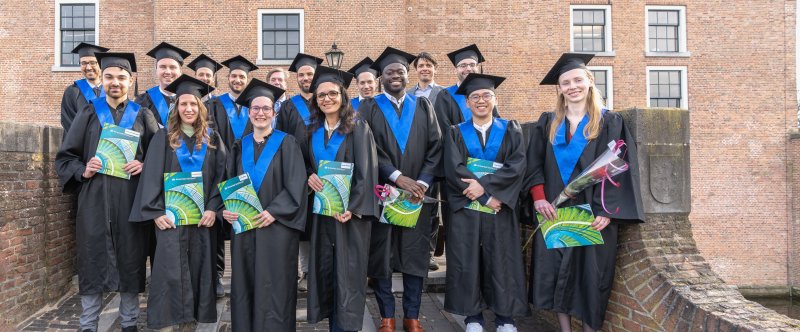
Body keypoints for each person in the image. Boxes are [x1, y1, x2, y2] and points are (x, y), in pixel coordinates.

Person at [525, 53, 644, 332]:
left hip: (594, 212)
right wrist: (539, 197)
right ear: (560, 88)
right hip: (555, 209)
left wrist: (608, 211)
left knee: (592, 276)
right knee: (556, 272)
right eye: (565, 82)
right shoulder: (548, 123)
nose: (572, 86)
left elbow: (621, 168)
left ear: (590, 82)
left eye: (578, 80)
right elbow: (533, 164)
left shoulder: (609, 122)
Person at [55, 52, 160, 332]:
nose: (115, 82)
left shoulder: (143, 115)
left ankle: (128, 324)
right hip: (94, 200)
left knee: (131, 259)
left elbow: (160, 157)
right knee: (92, 259)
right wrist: (83, 170)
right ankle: (88, 324)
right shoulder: (88, 112)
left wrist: (144, 163)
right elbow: (66, 157)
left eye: (122, 77)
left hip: (130, 200)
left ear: (130, 80)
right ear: (102, 78)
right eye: (110, 76)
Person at [129, 75, 227, 330]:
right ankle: (167, 323)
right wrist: (155, 212)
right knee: (168, 270)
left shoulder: (213, 140)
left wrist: (213, 209)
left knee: (199, 271)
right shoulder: (163, 139)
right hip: (170, 221)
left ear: (200, 107)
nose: (189, 109)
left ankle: (191, 324)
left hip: (202, 223)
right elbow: (151, 177)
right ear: (176, 108)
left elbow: (222, 178)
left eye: (193, 104)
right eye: (183, 104)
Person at [358, 47, 442, 332]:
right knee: (381, 258)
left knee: (415, 257)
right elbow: (367, 150)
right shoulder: (368, 107)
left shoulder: (423, 106)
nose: (395, 76)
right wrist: (396, 176)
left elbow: (435, 147)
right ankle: (387, 317)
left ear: (408, 75)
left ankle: (412, 316)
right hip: (383, 194)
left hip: (417, 196)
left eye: (400, 72)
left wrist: (422, 181)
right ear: (381, 77)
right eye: (390, 72)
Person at [442, 73, 529, 332]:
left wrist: (488, 189)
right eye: (475, 97)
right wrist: (486, 196)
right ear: (467, 103)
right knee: (467, 260)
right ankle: (473, 317)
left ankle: (505, 318)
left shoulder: (511, 129)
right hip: (469, 209)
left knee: (502, 259)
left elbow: (517, 166)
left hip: (499, 209)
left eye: (486, 95)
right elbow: (453, 167)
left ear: (495, 98)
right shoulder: (455, 132)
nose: (481, 100)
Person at [222, 78, 308, 332]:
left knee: (276, 283)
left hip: (277, 228)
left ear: (274, 112)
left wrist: (274, 211)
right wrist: (225, 210)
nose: (260, 113)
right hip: (245, 228)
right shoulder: (239, 146)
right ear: (249, 113)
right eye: (256, 109)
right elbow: (228, 184)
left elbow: (296, 184)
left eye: (266, 109)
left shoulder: (287, 143)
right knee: (245, 283)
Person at [304, 66, 380, 332]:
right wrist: (308, 176)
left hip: (350, 216)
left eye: (332, 93)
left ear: (343, 96)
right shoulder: (311, 129)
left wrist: (353, 207)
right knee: (325, 270)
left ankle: (346, 327)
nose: (327, 99)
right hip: (322, 213)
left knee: (348, 274)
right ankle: (332, 323)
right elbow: (303, 164)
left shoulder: (358, 127)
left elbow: (367, 171)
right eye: (321, 95)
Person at [276, 52, 323, 291]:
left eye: (310, 74)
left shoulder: (326, 100)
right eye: (302, 74)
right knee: (300, 224)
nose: (306, 78)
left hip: (325, 174)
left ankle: (317, 271)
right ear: (297, 78)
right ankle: (302, 271)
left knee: (321, 224)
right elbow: (282, 140)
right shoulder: (287, 106)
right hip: (297, 174)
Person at [407, 51, 445, 271]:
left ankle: (428, 253)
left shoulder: (444, 94)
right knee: (409, 202)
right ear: (416, 69)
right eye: (421, 65)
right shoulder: (409, 94)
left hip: (433, 159)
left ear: (434, 69)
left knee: (431, 207)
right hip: (411, 159)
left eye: (429, 65)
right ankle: (407, 250)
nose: (424, 69)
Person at [434, 44, 500, 135]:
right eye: (463, 65)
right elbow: (443, 130)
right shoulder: (445, 96)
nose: (468, 68)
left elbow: (497, 123)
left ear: (477, 67)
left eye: (472, 64)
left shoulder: (487, 95)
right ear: (455, 70)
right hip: (456, 147)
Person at [207, 55, 259, 148]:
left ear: (247, 80)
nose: (237, 80)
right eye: (234, 76)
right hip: (222, 160)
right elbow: (212, 136)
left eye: (242, 77)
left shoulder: (255, 106)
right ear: (228, 78)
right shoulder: (214, 104)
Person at [60, 42, 110, 137]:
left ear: (100, 64)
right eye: (84, 63)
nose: (88, 67)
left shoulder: (112, 91)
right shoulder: (72, 92)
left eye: (92, 63)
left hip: (107, 147)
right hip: (81, 146)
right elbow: (68, 122)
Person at [135, 42, 191, 127]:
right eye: (163, 67)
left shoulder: (191, 100)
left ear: (180, 71)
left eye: (172, 67)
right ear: (156, 70)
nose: (168, 72)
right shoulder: (144, 101)